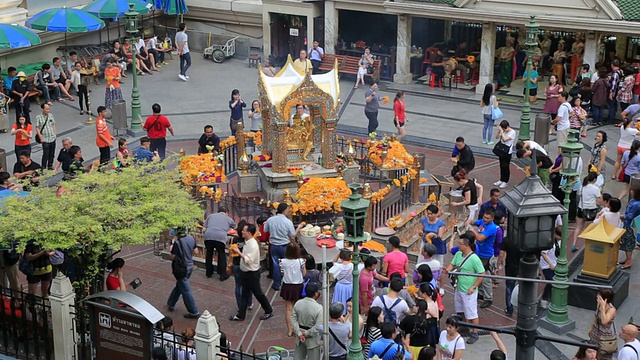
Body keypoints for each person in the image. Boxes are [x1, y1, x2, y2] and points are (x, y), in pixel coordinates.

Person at [442, 232, 485, 344]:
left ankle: (475, 332)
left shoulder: (474, 259)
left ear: (466, 245)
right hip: (459, 288)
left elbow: (482, 274)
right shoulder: (458, 254)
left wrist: (473, 287)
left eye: (460, 243)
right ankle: (464, 326)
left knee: (472, 312)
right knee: (460, 310)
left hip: (469, 290)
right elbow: (452, 265)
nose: (458, 245)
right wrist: (447, 270)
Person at [230, 223, 274, 321]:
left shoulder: (252, 245)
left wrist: (238, 252)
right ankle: (241, 315)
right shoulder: (247, 241)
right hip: (245, 272)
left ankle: (269, 310)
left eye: (244, 231)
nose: (242, 232)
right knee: (245, 294)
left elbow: (248, 260)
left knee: (258, 293)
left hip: (252, 274)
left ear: (249, 233)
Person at [264, 203, 304, 291]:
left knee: (276, 265)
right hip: (284, 246)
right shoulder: (288, 222)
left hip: (274, 245)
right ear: (285, 210)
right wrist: (298, 228)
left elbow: (265, 230)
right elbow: (292, 236)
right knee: (287, 264)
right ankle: (287, 282)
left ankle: (276, 284)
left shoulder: (270, 220)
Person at [166, 227, 200, 319]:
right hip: (190, 267)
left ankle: (194, 311)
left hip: (181, 268)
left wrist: (172, 248)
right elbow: (196, 251)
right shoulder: (191, 238)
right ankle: (171, 302)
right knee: (180, 285)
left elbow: (172, 256)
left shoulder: (177, 243)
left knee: (186, 290)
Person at [468, 209, 498, 309]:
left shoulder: (492, 228)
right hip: (479, 253)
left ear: (492, 218)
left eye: (487, 218)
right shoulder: (482, 222)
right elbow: (474, 222)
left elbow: (480, 238)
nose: (485, 219)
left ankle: (488, 298)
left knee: (485, 277)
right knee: (477, 274)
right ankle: (481, 292)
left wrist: (472, 231)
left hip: (486, 255)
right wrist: (469, 221)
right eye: (484, 217)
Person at [291, 282, 323, 360]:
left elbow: (293, 319)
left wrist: (299, 333)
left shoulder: (298, 303)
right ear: (315, 293)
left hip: (299, 336)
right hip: (312, 339)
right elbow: (318, 326)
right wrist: (307, 333)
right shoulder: (319, 308)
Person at [571, 172, 602, 252]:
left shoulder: (582, 187)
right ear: (594, 179)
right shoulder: (596, 189)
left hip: (581, 209)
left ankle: (574, 244)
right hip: (591, 210)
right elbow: (599, 202)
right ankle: (588, 246)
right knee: (589, 228)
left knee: (578, 227)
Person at [280, 243, 306, 336]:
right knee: (298, 308)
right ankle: (298, 328)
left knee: (288, 309)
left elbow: (282, 273)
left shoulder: (282, 261)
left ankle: (290, 330)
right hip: (298, 286)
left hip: (287, 285)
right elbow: (304, 273)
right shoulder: (301, 261)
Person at [203, 206, 236, 280]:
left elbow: (204, 226)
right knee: (221, 254)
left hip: (208, 236)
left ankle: (208, 272)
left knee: (209, 253)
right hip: (220, 238)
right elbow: (235, 226)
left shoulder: (210, 216)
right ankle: (222, 274)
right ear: (226, 212)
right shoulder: (228, 218)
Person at [589, 289, 617, 360]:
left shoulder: (612, 309)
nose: (597, 297)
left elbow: (604, 321)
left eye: (599, 296)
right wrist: (591, 329)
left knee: (602, 355)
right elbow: (595, 317)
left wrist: (603, 308)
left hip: (604, 336)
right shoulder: (599, 304)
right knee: (593, 353)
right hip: (595, 332)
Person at [539, 227, 560, 309]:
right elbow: (543, 253)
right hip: (546, 266)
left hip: (555, 264)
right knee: (551, 281)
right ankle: (544, 298)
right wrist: (550, 264)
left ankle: (549, 298)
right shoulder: (549, 242)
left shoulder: (558, 241)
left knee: (554, 282)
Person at [619, 190, 640, 270]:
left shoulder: (636, 204)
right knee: (626, 242)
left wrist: (621, 216)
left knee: (628, 243)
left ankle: (628, 261)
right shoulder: (633, 201)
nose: (631, 191)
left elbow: (630, 215)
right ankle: (627, 259)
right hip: (627, 224)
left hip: (630, 226)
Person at [493, 120, 517, 189]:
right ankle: (501, 179)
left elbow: (505, 139)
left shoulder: (512, 132)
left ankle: (505, 181)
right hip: (501, 150)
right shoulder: (503, 131)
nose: (504, 130)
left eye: (504, 128)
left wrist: (502, 132)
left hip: (507, 151)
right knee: (501, 165)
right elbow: (497, 137)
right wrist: (500, 131)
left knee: (506, 166)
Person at [35, 103, 56, 170]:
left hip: (52, 137)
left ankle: (50, 165)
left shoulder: (51, 115)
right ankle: (43, 167)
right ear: (42, 109)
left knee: (52, 153)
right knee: (46, 154)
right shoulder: (38, 117)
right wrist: (40, 137)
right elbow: (37, 128)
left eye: (49, 109)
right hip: (45, 138)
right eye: (46, 109)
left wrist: (54, 133)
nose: (48, 110)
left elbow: (53, 124)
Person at [608, 60, 623, 124]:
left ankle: (611, 119)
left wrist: (611, 93)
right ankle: (612, 117)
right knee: (613, 105)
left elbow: (613, 84)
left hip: (613, 92)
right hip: (616, 91)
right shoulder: (619, 72)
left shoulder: (615, 74)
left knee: (612, 105)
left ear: (612, 65)